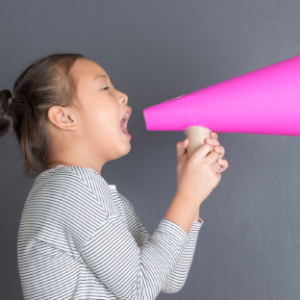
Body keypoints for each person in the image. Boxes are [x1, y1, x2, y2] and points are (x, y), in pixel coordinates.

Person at [0, 53, 228, 299]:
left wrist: (194, 190)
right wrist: (188, 195)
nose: (123, 95)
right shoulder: (72, 189)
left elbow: (169, 278)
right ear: (65, 118)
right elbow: (140, 290)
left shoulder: (91, 193)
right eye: (105, 87)